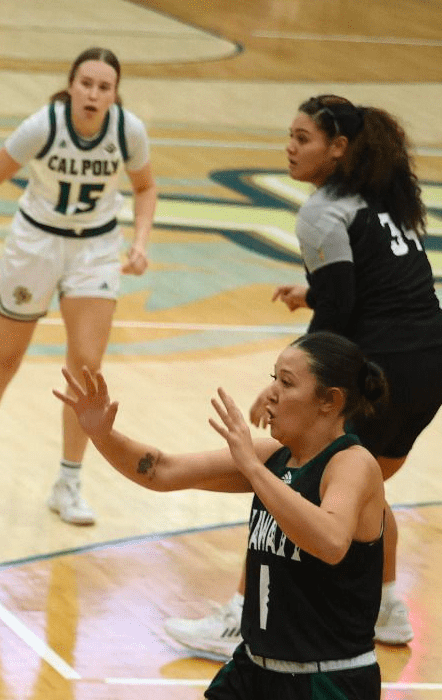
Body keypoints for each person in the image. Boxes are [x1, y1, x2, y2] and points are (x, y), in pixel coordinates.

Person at [56, 333, 441, 700]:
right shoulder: (272, 460)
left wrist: (252, 468)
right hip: (255, 679)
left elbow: (331, 540)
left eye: (287, 383)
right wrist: (99, 432)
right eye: (273, 377)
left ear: (328, 402)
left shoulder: (353, 466)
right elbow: (161, 470)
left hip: (329, 694)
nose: (269, 394)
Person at [165, 94, 442, 659]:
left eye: (303, 139)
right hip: (428, 365)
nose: (289, 148)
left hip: (387, 365)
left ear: (338, 148)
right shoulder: (382, 200)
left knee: (289, 477)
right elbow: (374, 288)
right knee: (363, 483)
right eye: (289, 136)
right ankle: (387, 608)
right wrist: (314, 293)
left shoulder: (322, 211)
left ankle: (241, 620)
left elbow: (339, 312)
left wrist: (286, 379)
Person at [0, 45, 157, 525]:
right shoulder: (44, 125)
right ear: (72, 85)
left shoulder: (128, 131)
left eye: (104, 87)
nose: (94, 94)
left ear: (115, 94)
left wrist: (140, 241)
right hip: (35, 244)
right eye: (86, 84)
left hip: (95, 249)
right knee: (5, 359)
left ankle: (69, 481)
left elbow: (145, 187)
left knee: (87, 368)